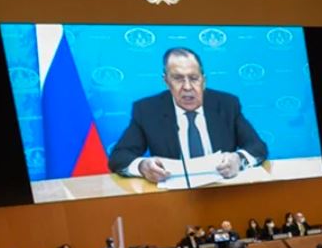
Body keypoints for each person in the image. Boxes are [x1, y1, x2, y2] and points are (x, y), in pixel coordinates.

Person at [108, 48, 267, 182]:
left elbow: (257, 147)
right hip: (174, 199)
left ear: (203, 81)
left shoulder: (227, 104)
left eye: (194, 78)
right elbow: (119, 157)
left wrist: (238, 160)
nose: (187, 87)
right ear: (166, 81)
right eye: (178, 78)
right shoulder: (148, 110)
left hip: (222, 191)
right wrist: (142, 166)